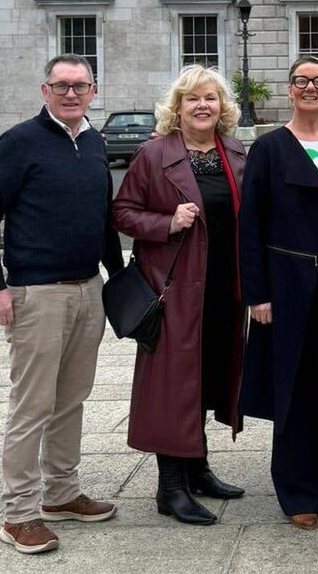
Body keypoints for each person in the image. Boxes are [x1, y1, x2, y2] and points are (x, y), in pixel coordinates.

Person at [0, 54, 123, 556]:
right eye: (62, 85)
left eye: (80, 86)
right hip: (37, 293)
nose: (71, 94)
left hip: (87, 289)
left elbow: (103, 221)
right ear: (45, 90)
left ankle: (61, 493)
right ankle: (19, 514)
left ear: (93, 92)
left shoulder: (95, 143)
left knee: (71, 399)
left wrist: (116, 282)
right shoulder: (20, 142)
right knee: (32, 405)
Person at [112, 65, 247, 525]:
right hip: (175, 290)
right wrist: (165, 223)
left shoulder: (232, 150)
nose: (203, 105)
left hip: (224, 289)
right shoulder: (154, 154)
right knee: (173, 387)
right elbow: (123, 212)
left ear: (222, 106)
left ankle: (198, 468)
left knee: (207, 377)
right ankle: (170, 488)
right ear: (178, 107)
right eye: (192, 98)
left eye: (210, 97)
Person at [239, 55, 318, 528]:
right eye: (301, 81)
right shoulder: (269, 148)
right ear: (289, 90)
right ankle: (297, 492)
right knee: (292, 390)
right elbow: (249, 224)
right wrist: (257, 294)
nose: (310, 88)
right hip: (286, 286)